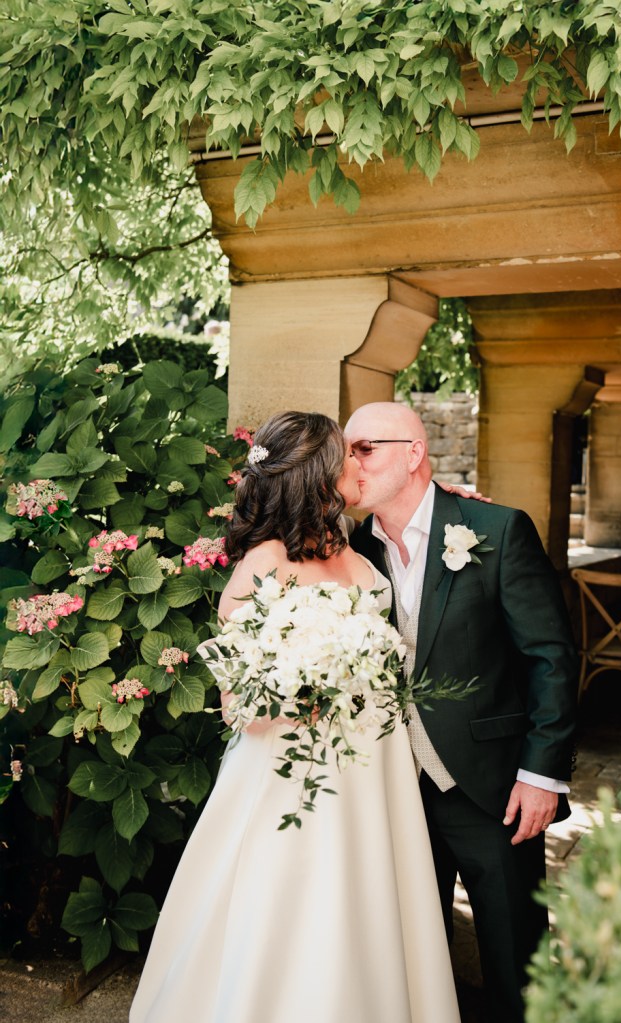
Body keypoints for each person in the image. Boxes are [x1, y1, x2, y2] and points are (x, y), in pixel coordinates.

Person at [130, 411, 461, 1023]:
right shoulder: (264, 562)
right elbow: (237, 697)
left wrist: (455, 506)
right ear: (320, 476)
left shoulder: (356, 551)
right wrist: (301, 688)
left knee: (371, 894)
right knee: (298, 899)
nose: (357, 464)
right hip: (296, 769)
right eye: (347, 456)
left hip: (374, 764)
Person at [345, 402, 578, 1023]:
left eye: (364, 447)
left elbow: (550, 658)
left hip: (491, 787)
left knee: (514, 958)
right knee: (415, 963)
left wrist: (541, 775)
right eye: (348, 450)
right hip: (393, 789)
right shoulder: (352, 550)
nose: (351, 462)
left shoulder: (496, 530)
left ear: (414, 453)